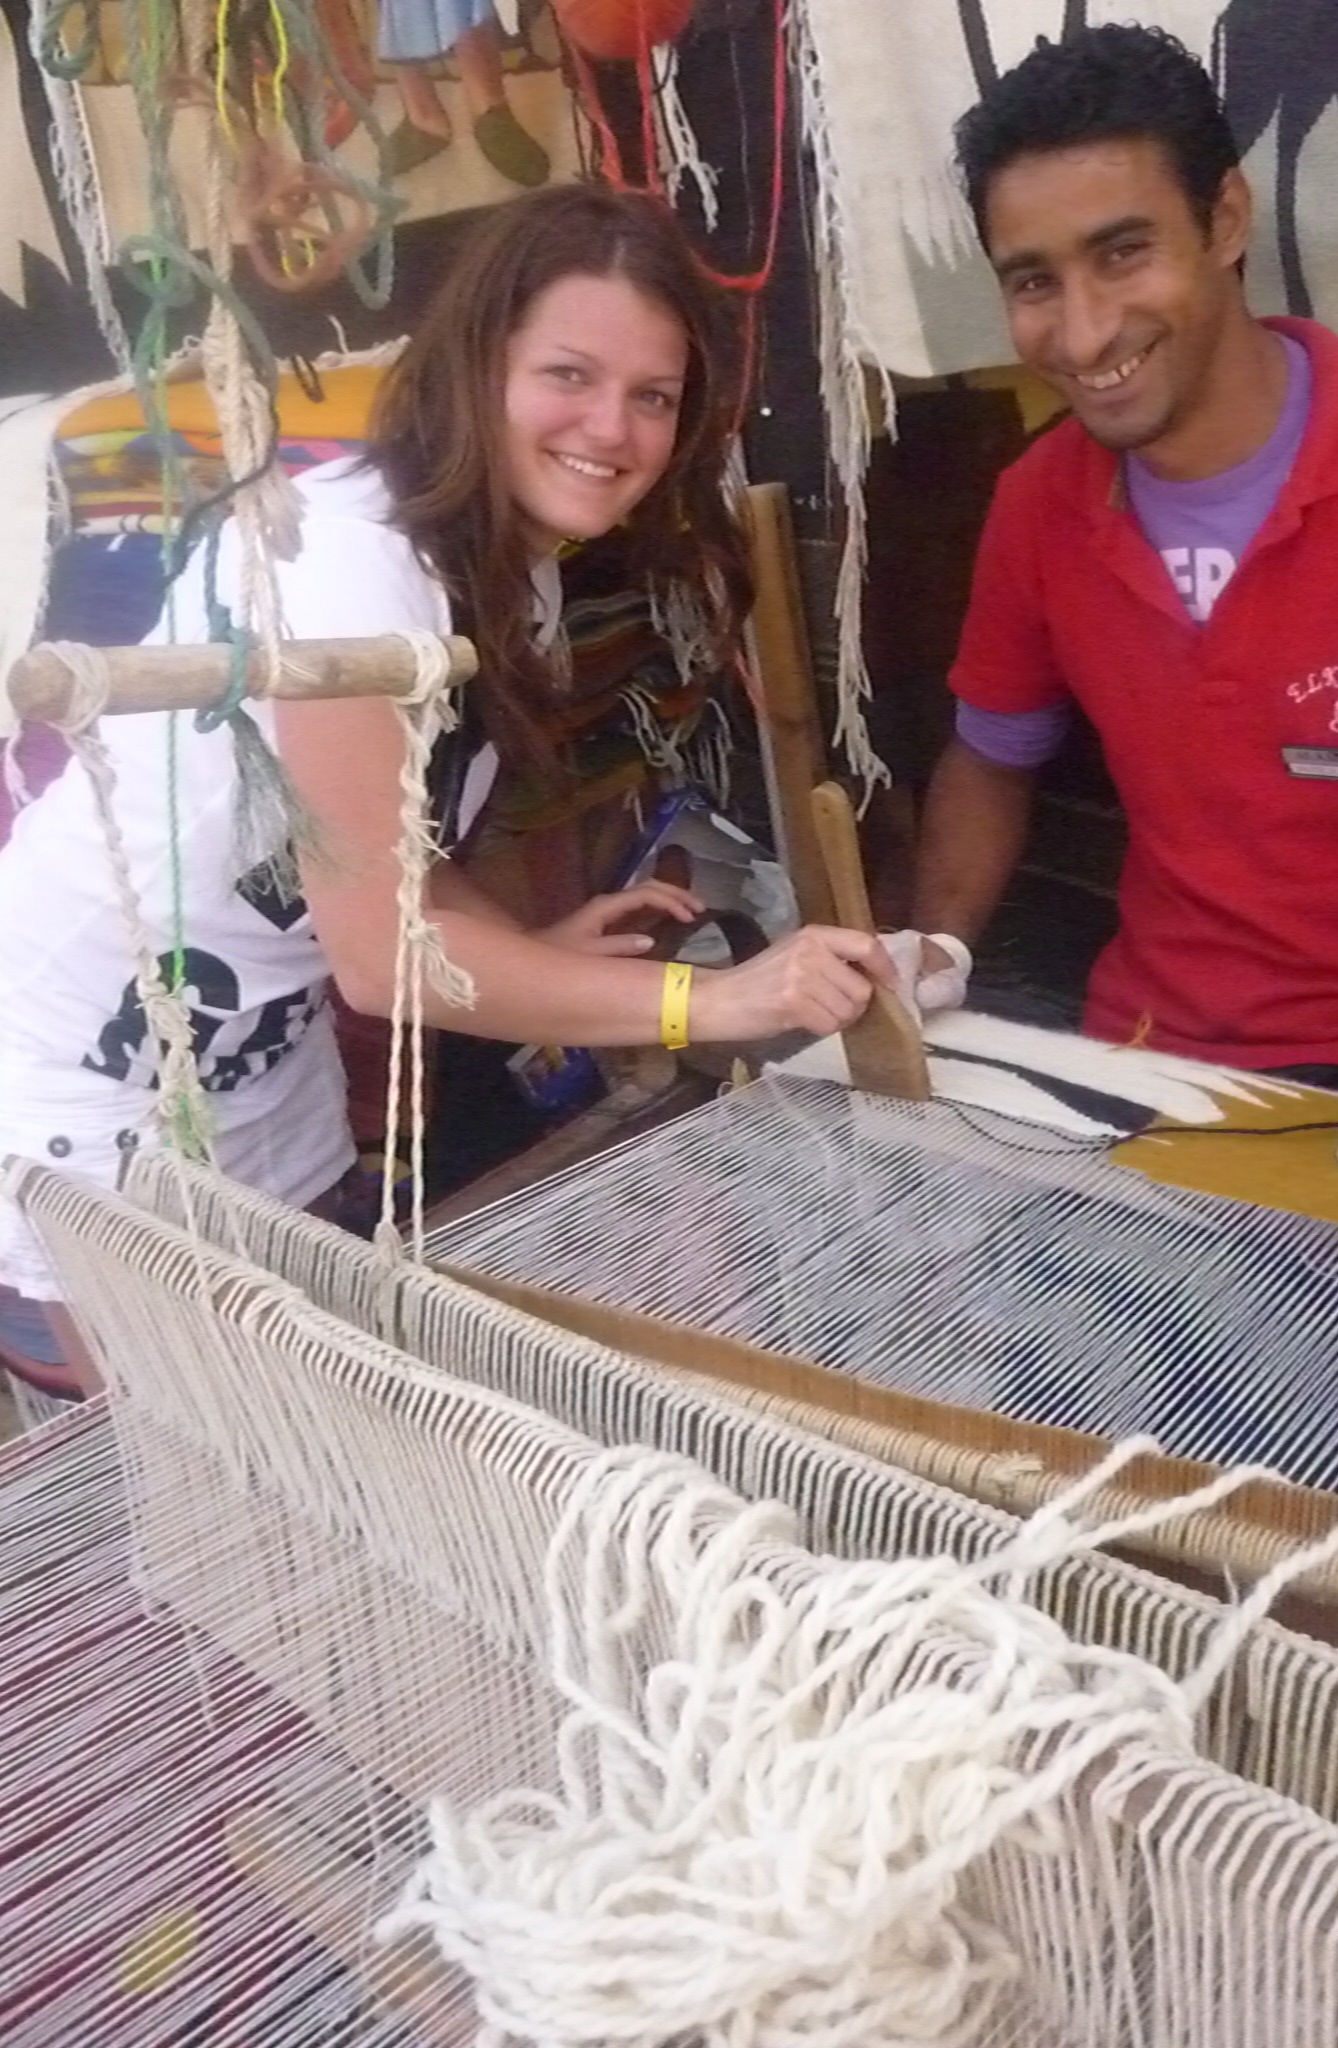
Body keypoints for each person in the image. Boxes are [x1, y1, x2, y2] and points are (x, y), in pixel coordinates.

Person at [0, 182, 890, 1401]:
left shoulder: (509, 573)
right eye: (569, 374)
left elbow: (387, 852)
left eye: (654, 395)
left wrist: (523, 948)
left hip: (257, 1068)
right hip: (82, 1074)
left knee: (300, 1425)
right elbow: (384, 961)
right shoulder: (349, 565)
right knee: (202, 1446)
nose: (613, 427)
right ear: (480, 362)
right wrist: (715, 998)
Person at [909, 23, 1338, 1169]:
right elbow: (993, 757)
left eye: (1122, 252)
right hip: (1150, 1058)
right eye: (1034, 280)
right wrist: (938, 944)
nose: (1084, 331)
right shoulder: (1037, 503)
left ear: (1227, 220)